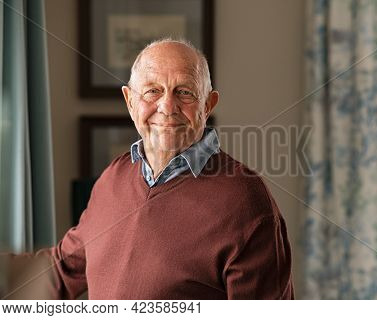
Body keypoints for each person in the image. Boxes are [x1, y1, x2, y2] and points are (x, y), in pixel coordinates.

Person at [2, 39, 294, 299]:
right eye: (153, 91)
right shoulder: (113, 177)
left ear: (208, 105)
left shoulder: (246, 202)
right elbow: (62, 269)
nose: (167, 106)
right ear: (130, 102)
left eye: (184, 92)